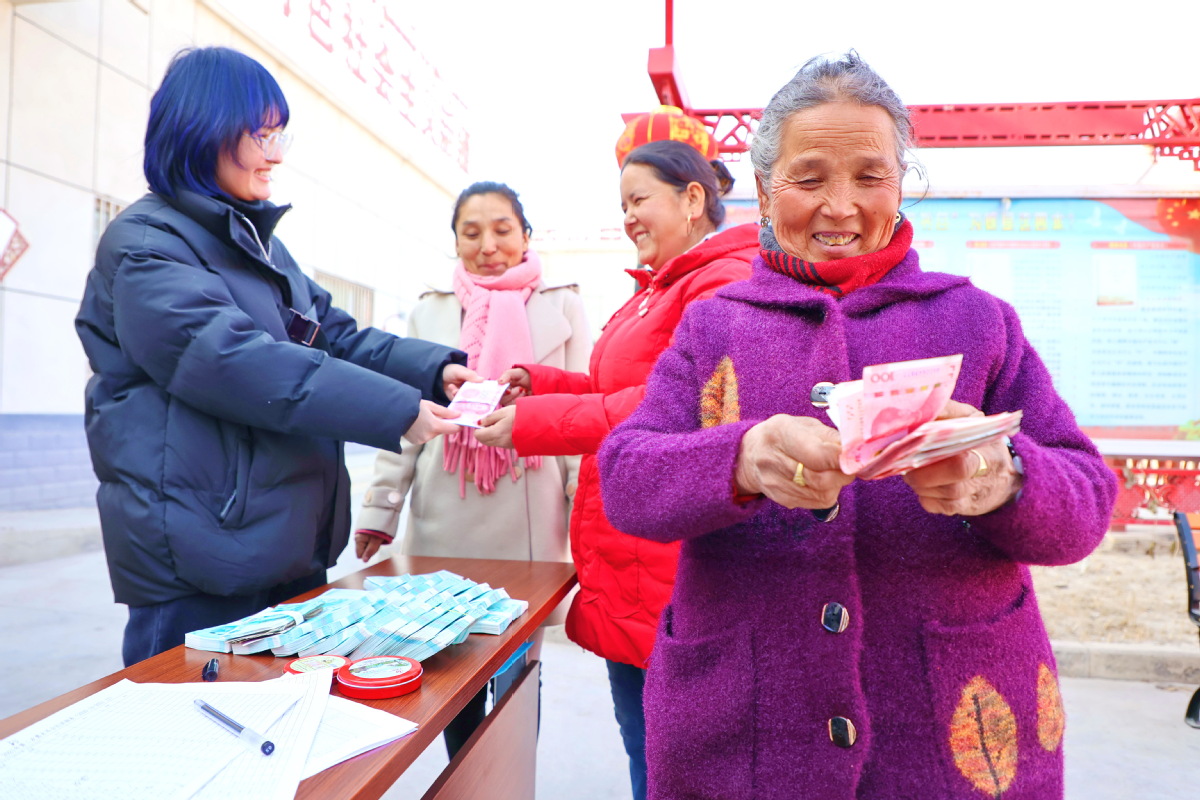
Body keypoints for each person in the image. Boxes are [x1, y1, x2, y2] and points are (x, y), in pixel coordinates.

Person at [597, 52, 1118, 800]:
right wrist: (742, 459)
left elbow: (1087, 503)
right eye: (809, 178)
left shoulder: (977, 322)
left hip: (950, 732)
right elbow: (626, 480)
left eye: (870, 177)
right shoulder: (714, 327)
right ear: (766, 188)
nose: (840, 207)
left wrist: (1003, 475)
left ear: (902, 184)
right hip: (744, 735)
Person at [75, 46, 476, 667]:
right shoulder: (146, 247)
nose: (277, 153)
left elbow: (333, 335)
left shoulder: (255, 245)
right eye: (261, 134)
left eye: (279, 133)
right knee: (198, 739)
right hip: (203, 557)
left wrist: (431, 370)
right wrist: (397, 410)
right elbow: (238, 363)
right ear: (202, 130)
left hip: (277, 544)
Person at [474, 140, 758, 800]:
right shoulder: (656, 290)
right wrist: (539, 383)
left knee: (674, 763)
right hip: (634, 560)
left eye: (639, 200)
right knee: (649, 749)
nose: (628, 217)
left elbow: (675, 403)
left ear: (693, 200)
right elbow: (609, 385)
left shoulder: (720, 283)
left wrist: (535, 424)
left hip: (672, 567)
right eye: (622, 204)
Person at [354, 181, 591, 757]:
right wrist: (381, 510)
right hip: (444, 504)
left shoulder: (562, 303)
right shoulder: (432, 307)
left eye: (502, 230)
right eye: (472, 232)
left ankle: (508, 779)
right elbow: (401, 413)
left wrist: (587, 512)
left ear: (526, 235)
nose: (488, 245)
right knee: (450, 666)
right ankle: (465, 778)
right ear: (456, 241)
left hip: (528, 505)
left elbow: (580, 411)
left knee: (515, 672)